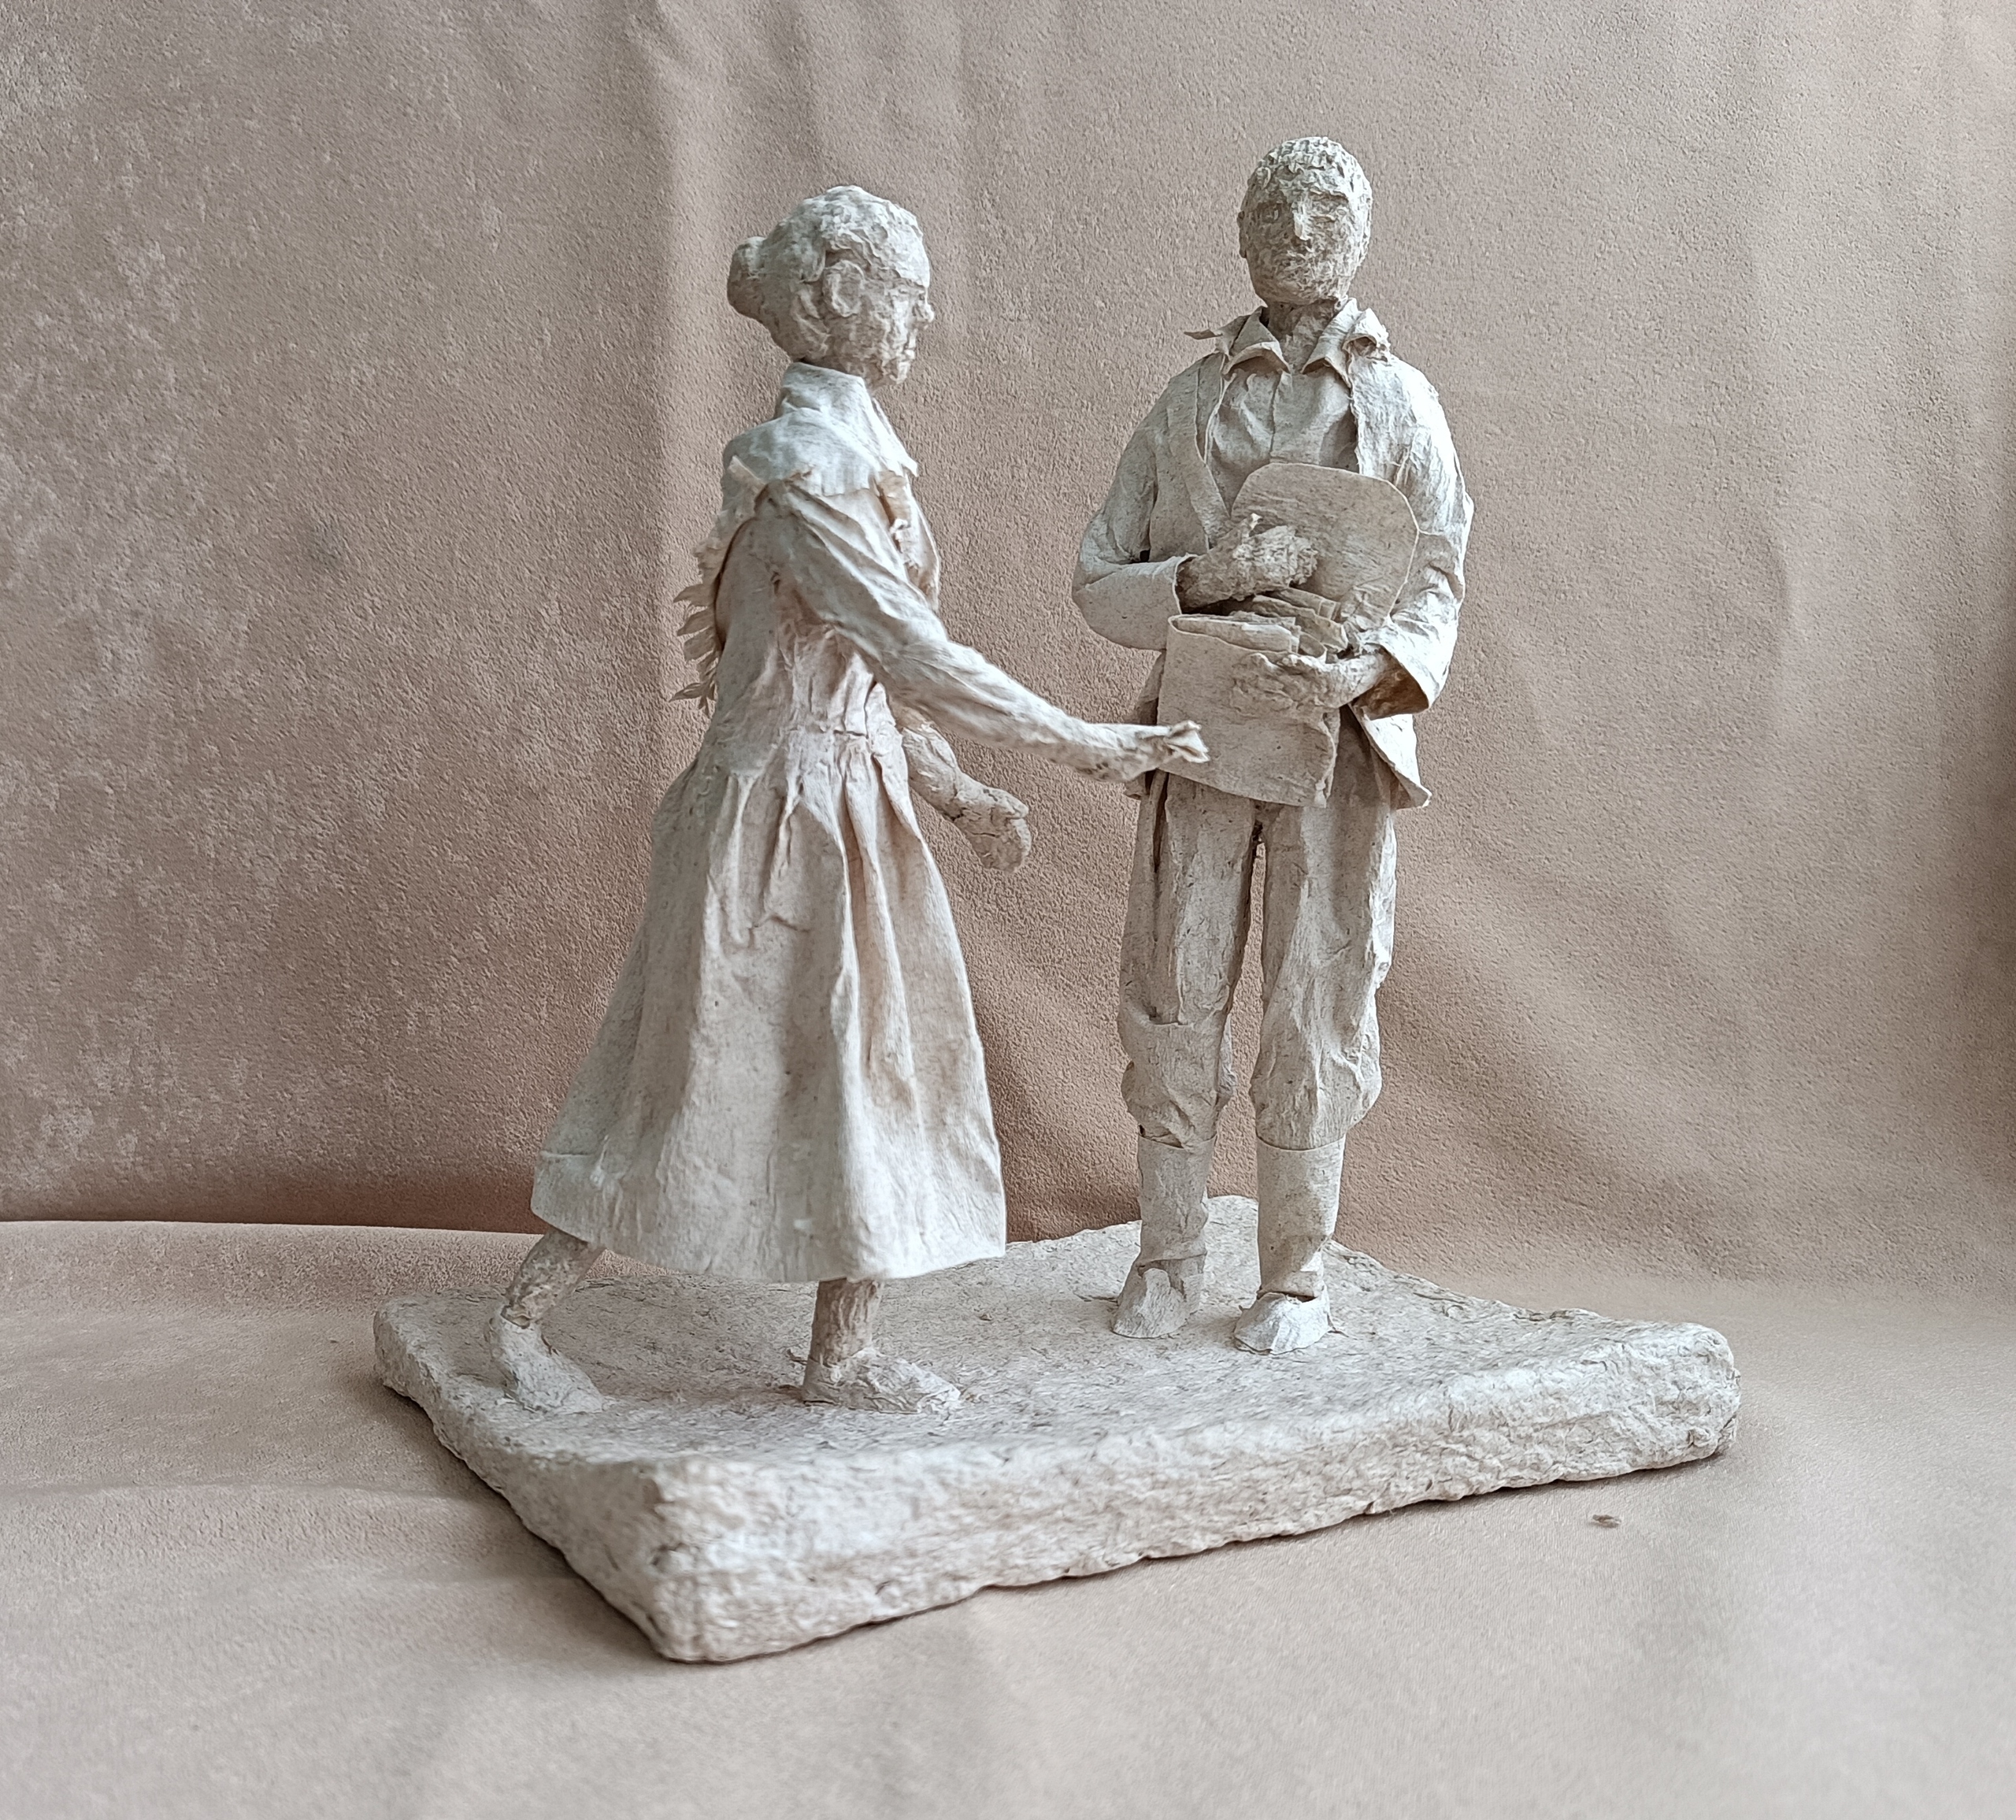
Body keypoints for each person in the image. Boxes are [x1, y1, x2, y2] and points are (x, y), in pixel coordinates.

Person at [493, 187, 1204, 1416]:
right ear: (837, 294)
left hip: (852, 815)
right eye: (906, 296)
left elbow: (869, 683)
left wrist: (958, 790)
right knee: (689, 1075)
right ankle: (523, 1316)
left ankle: (843, 1351)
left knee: (876, 1074)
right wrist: (1087, 742)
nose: (924, 319)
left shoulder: (864, 461)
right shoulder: (807, 477)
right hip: (773, 825)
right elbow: (913, 652)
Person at [1075, 139, 1473, 1354]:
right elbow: (1098, 575)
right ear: (1241, 234)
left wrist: (1369, 672)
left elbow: (1438, 574)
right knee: (1174, 986)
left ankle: (1295, 1277)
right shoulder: (1189, 403)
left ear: (1363, 230)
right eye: (1275, 209)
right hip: (1201, 732)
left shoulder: (1402, 404)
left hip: (1335, 742)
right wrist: (1200, 579)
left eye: (1325, 207)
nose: (1299, 229)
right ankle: (1167, 1255)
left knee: (1318, 993)